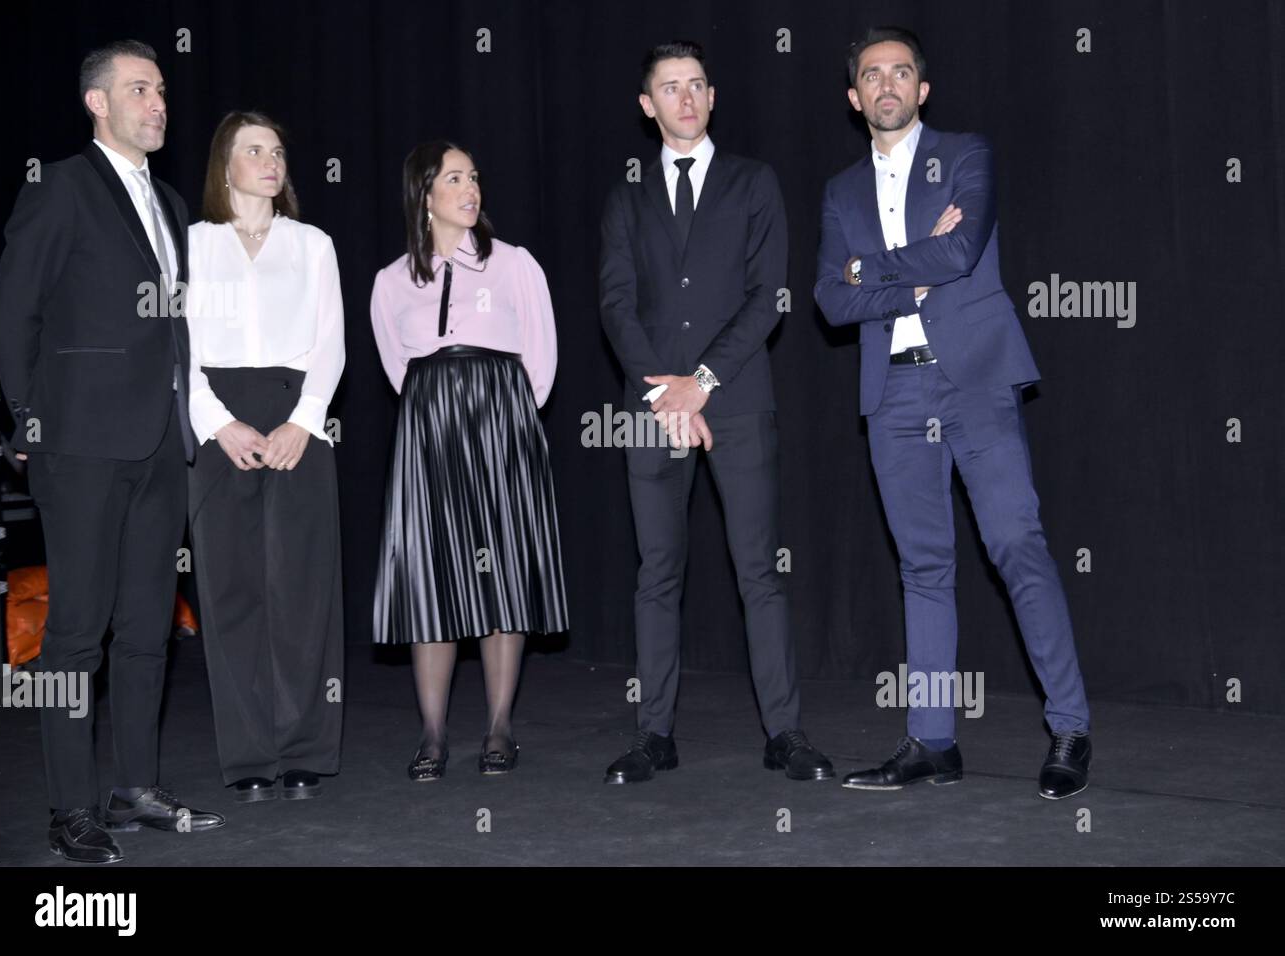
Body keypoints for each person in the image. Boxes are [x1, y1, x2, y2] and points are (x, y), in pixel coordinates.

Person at [814, 26, 1092, 799]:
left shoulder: (967, 154)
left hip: (974, 381)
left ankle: (1069, 726)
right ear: (854, 97)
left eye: (902, 72)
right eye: (873, 75)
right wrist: (901, 281)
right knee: (924, 568)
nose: (888, 84)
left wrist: (870, 269)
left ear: (922, 89)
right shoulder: (840, 192)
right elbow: (832, 300)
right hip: (895, 393)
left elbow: (960, 253)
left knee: (1016, 546)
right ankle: (933, 741)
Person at [0, 39, 224, 863]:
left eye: (161, 90)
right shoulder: (58, 185)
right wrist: (28, 421)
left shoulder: (169, 203)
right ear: (98, 102)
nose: (158, 103)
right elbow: (11, 309)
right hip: (80, 443)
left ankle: (135, 787)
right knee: (75, 634)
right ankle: (69, 808)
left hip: (161, 442)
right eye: (139, 89)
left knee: (146, 628)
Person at [598, 41, 834, 784]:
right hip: (651, 407)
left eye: (697, 84)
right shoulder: (626, 196)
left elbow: (769, 297)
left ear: (712, 95)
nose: (686, 98)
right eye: (669, 88)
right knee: (657, 572)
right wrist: (664, 392)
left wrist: (700, 382)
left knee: (758, 570)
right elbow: (615, 304)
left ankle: (786, 732)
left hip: (734, 399)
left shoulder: (753, 182)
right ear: (648, 105)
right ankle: (654, 735)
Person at [370, 141, 568, 780]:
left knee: (501, 571)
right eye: (454, 178)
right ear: (425, 195)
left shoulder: (514, 265)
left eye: (474, 176)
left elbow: (540, 363)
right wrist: (441, 410)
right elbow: (399, 371)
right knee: (431, 576)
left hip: (501, 425)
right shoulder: (390, 281)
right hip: (429, 432)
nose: (470, 187)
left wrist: (503, 421)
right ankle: (432, 734)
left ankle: (499, 726)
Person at [186, 111, 346, 802]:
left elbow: (331, 343)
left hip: (297, 419)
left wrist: (303, 421)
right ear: (226, 166)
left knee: (303, 590)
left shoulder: (312, 244)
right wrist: (217, 424)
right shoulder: (189, 244)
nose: (271, 161)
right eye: (255, 150)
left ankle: (305, 749)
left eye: (277, 150)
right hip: (219, 420)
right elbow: (177, 347)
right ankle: (248, 757)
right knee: (230, 593)